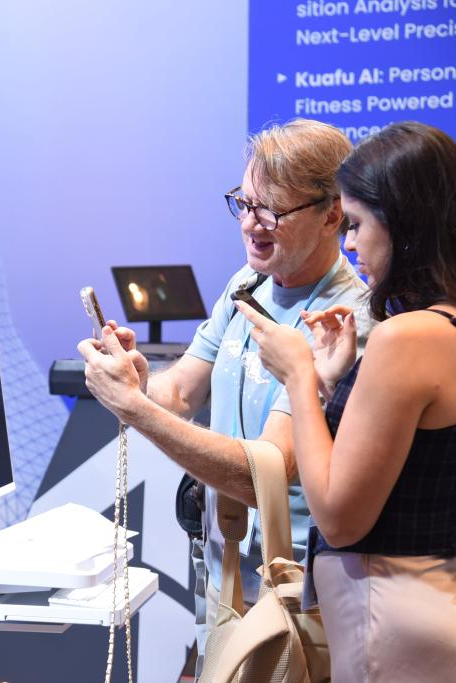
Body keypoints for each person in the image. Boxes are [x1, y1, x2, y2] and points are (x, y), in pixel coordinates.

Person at [238, 121, 456, 682]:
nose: (349, 244)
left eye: (356, 224)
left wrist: (299, 376)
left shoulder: (409, 336)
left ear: (404, 223)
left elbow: (340, 519)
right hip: (439, 627)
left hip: (393, 640)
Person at [76, 118, 372, 656]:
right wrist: (138, 382)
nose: (252, 223)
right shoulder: (247, 284)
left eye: (272, 210)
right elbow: (181, 394)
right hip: (225, 570)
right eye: (245, 203)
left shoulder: (346, 323)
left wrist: (134, 409)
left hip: (299, 591)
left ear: (332, 215)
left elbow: (266, 475)